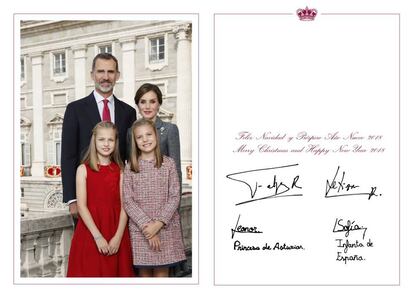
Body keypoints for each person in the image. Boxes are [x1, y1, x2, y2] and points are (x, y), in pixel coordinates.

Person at [61, 53, 136, 217]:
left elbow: (131, 156)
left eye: (110, 72)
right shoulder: (75, 109)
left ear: (117, 76)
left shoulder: (129, 112)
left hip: (119, 196)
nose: (105, 77)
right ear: (92, 75)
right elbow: (68, 155)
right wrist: (72, 199)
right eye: (101, 71)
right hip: (86, 197)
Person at [67, 122, 134, 277]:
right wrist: (98, 237)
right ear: (94, 141)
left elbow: (125, 206)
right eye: (101, 139)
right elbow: (82, 207)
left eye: (110, 140)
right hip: (90, 232)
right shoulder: (82, 169)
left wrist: (118, 237)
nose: (106, 144)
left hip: (116, 229)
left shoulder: (121, 171)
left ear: (115, 142)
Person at [123, 119, 186, 277]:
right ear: (135, 141)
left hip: (165, 228)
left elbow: (174, 197)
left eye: (149, 134)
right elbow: (128, 201)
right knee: (144, 275)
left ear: (156, 136)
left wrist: (157, 225)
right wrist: (147, 227)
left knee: (161, 275)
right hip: (140, 231)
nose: (145, 139)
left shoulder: (169, 164)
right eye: (139, 137)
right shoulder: (130, 167)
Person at [133, 83, 182, 186]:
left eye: (152, 102)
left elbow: (176, 170)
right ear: (137, 105)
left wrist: (176, 201)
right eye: (143, 102)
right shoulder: (131, 132)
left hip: (164, 192)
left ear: (159, 104)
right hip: (139, 191)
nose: (147, 107)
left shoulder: (170, 130)